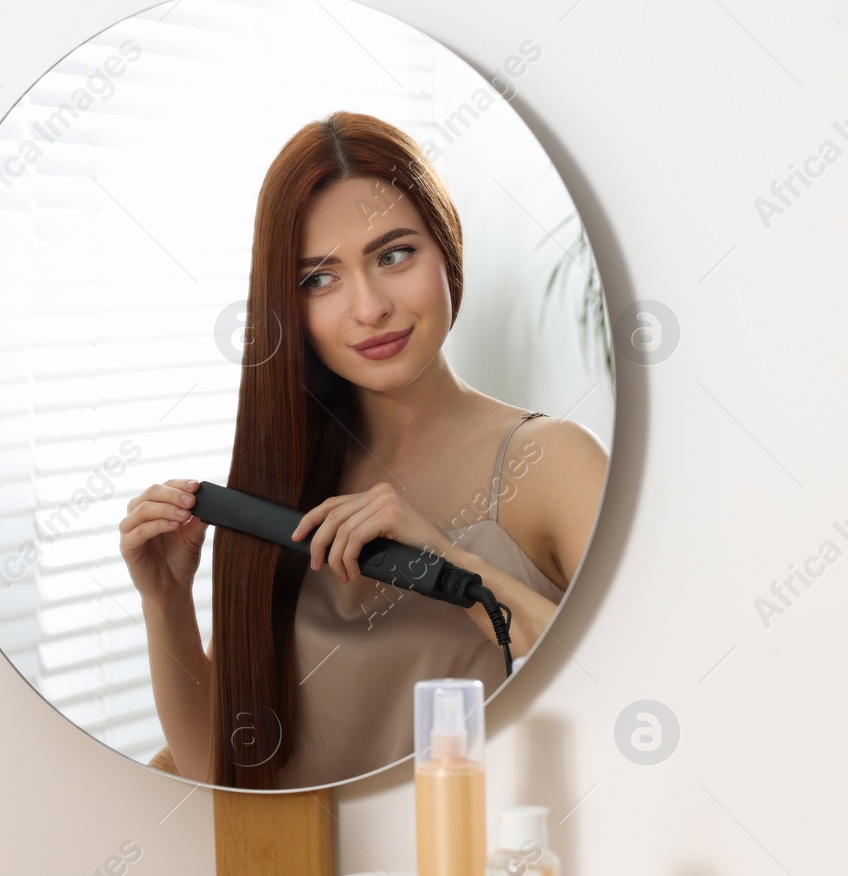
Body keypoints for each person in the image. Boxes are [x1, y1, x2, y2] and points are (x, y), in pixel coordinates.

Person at [122, 112, 607, 789]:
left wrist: (453, 568)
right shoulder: (278, 486)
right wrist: (167, 603)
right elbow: (224, 780)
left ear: (448, 248)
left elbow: (629, 693)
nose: (370, 307)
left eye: (394, 255)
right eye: (320, 279)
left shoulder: (553, 464)